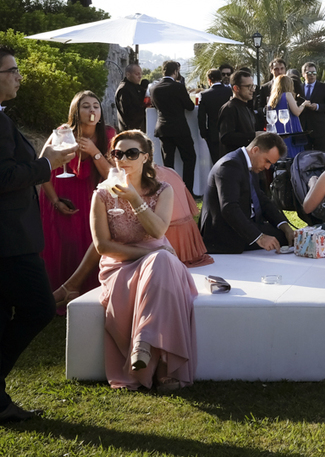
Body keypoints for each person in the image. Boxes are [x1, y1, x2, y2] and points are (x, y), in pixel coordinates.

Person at [0, 48, 77, 421]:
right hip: (9, 237)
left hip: (10, 235)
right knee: (39, 306)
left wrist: (43, 158)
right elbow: (4, 178)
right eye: (12, 70)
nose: (18, 77)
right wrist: (48, 165)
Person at [88, 130, 197, 391]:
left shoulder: (163, 190)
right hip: (121, 264)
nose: (123, 158)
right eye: (117, 153)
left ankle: (144, 346)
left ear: (145, 157)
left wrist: (135, 199)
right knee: (159, 258)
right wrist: (148, 254)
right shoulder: (101, 195)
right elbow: (103, 246)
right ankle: (161, 366)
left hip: (161, 263)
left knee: (160, 263)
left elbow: (158, 231)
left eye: (131, 153)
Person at [38, 90, 113, 309]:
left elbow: (112, 175)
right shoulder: (63, 132)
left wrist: (94, 151)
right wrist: (55, 201)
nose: (92, 110)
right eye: (86, 106)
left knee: (89, 243)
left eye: (96, 106)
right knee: (65, 244)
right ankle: (59, 294)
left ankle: (86, 294)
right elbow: (42, 167)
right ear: (76, 111)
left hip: (92, 196)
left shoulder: (108, 134)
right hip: (61, 194)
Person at [199, 132, 296, 254]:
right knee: (281, 239)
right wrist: (259, 237)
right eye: (267, 161)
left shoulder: (247, 163)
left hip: (245, 223)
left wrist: (284, 225)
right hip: (224, 234)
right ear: (255, 150)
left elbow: (261, 199)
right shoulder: (229, 166)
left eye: (270, 164)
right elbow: (229, 208)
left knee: (287, 236)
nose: (267, 167)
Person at [150, 61, 197, 195]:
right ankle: (187, 191)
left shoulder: (154, 88)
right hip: (180, 129)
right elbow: (190, 106)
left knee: (168, 162)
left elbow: (154, 105)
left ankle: (168, 192)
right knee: (189, 158)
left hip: (163, 128)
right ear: (176, 71)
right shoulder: (178, 87)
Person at [216, 70, 257, 160]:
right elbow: (226, 137)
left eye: (253, 86)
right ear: (236, 88)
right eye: (248, 87)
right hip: (234, 163)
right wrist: (253, 136)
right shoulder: (229, 108)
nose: (253, 90)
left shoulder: (246, 107)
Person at [266, 74, 306, 158]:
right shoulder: (288, 94)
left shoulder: (271, 98)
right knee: (293, 153)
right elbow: (297, 112)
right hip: (290, 127)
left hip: (277, 128)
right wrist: (304, 104)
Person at [197, 68, 232, 161]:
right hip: (230, 131)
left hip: (213, 134)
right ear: (220, 77)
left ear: (209, 80)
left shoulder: (205, 95)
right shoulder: (229, 91)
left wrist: (204, 133)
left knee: (216, 161)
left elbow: (201, 117)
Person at [114, 63, 149, 133]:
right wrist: (145, 108)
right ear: (128, 74)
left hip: (138, 129)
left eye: (140, 74)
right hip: (129, 131)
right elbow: (129, 113)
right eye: (137, 74)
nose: (140, 77)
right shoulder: (124, 89)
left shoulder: (136, 87)